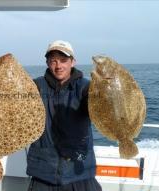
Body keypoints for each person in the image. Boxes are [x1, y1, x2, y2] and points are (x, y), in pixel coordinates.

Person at [26, 40, 102, 191]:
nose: (58, 66)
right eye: (53, 61)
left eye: (63, 60)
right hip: (43, 173)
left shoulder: (86, 87)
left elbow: (99, 108)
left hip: (79, 173)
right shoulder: (34, 87)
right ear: (47, 63)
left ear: (73, 62)